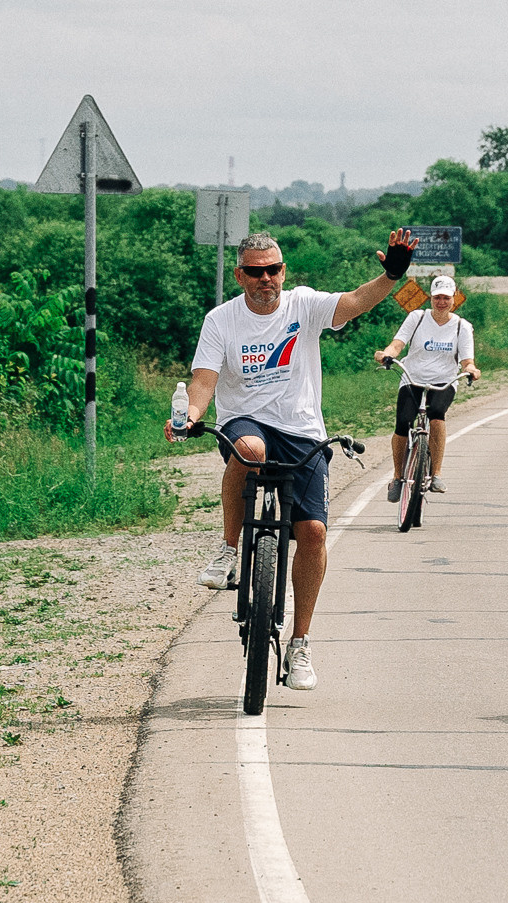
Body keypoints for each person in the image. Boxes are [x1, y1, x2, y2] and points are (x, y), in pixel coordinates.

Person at [173, 228, 419, 690]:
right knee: (250, 450)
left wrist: (391, 276)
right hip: (245, 421)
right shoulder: (221, 320)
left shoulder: (303, 305)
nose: (266, 278)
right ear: (240, 274)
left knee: (313, 532)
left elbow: (354, 302)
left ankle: (300, 643)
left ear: (283, 270)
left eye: (274, 269)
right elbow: (203, 380)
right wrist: (190, 415)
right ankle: (228, 550)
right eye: (255, 271)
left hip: (303, 430)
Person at [375, 275, 480, 499]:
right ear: (430, 298)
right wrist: (387, 355)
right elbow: (398, 344)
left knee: (436, 414)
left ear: (454, 299)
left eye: (446, 298)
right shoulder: (417, 318)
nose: (441, 302)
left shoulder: (462, 326)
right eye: (437, 297)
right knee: (403, 422)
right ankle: (397, 477)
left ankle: (437, 474)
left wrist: (471, 369)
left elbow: (467, 361)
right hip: (413, 377)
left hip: (444, 381)